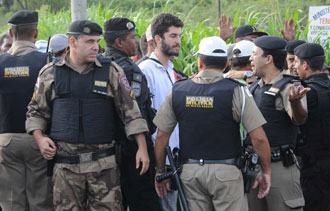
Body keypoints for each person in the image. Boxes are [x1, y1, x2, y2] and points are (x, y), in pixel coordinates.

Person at [26, 20, 150, 211]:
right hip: (66, 168)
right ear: (73, 42)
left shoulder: (111, 72)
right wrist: (40, 139)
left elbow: (131, 113)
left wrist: (142, 148)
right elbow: (36, 112)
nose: (96, 47)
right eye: (90, 41)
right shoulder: (50, 73)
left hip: (103, 168)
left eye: (97, 41)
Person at [153, 36, 271, 211]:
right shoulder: (237, 90)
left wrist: (160, 171)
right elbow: (259, 138)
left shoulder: (179, 90)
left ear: (200, 61)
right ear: (225, 64)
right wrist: (266, 171)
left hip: (190, 173)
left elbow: (162, 135)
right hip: (227, 172)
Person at [103, 17, 161, 211]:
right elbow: (136, 113)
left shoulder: (99, 65)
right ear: (119, 42)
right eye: (133, 37)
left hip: (108, 151)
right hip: (132, 151)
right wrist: (143, 147)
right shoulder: (127, 69)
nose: (137, 42)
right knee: (145, 203)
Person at [246, 36, 307, 211]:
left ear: (268, 58)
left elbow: (300, 119)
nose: (250, 58)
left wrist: (295, 103)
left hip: (279, 166)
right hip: (253, 165)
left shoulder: (289, 87)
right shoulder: (253, 88)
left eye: (254, 54)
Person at [0, 10, 53, 211]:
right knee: (40, 201)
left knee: (11, 203)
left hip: (6, 140)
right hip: (38, 140)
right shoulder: (46, 62)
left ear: (12, 35)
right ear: (36, 34)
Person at [293, 43, 330, 211]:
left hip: (316, 167)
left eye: (296, 62)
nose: (294, 66)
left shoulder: (306, 92)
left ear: (305, 65)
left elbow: (298, 120)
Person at [138, 13, 183, 211]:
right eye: (173, 36)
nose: (178, 41)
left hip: (174, 159)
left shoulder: (171, 69)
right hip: (159, 160)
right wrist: (160, 168)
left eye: (179, 36)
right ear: (157, 39)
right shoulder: (146, 70)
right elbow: (148, 121)